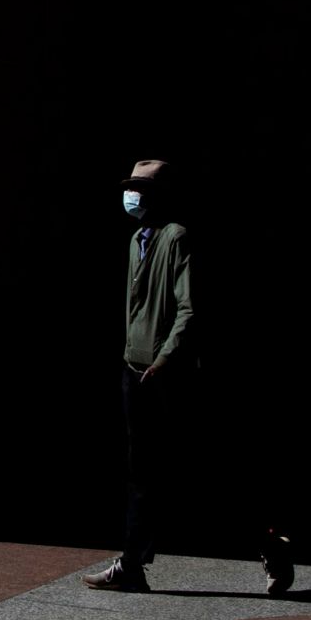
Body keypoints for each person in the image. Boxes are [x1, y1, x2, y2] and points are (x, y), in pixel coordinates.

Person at [83, 160, 198, 594]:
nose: (133, 197)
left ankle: (270, 546)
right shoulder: (137, 239)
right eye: (132, 188)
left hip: (164, 371)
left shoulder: (177, 238)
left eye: (142, 190)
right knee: (140, 472)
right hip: (135, 368)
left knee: (187, 470)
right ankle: (132, 563)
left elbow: (188, 307)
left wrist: (165, 359)